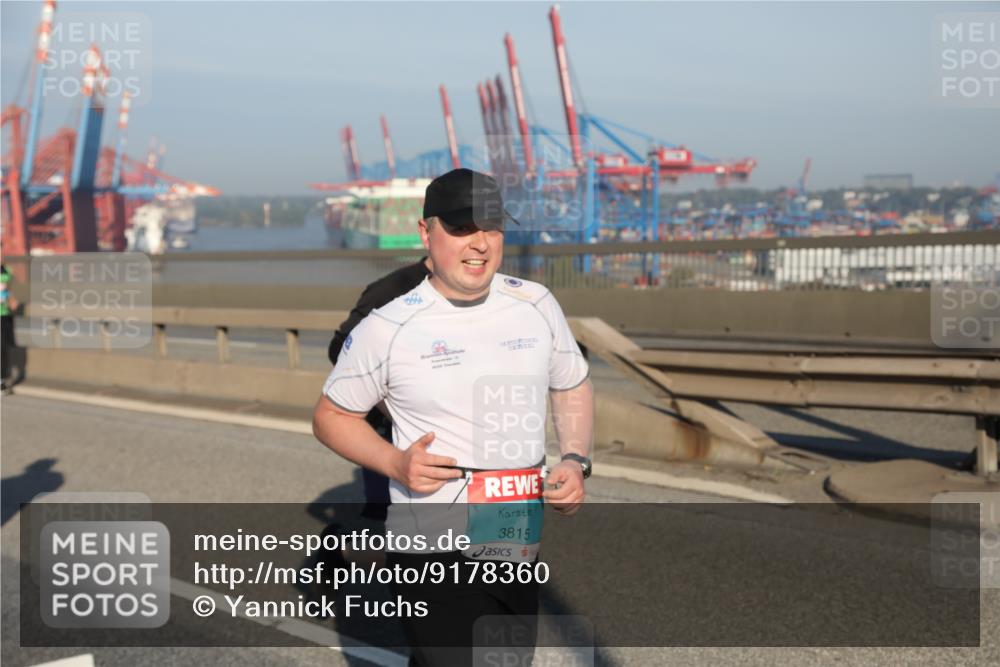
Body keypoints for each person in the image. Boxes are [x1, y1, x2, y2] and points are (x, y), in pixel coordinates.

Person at [312, 168, 594, 665]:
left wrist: (575, 459)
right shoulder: (390, 324)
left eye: (491, 228)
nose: (479, 244)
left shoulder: (535, 304)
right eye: (462, 229)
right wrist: (395, 464)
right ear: (427, 233)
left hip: (515, 537)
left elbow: (570, 381)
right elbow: (331, 416)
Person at [328, 256, 433, 521]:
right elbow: (339, 348)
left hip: (448, 434)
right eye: (459, 230)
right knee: (383, 521)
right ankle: (338, 554)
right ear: (428, 233)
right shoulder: (390, 289)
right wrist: (390, 402)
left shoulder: (487, 295)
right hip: (390, 434)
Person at [1, 264, 19, 395]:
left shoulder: (8, 270)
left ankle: (2, 380)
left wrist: (12, 299)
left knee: (5, 347)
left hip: (5, 314)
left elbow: (8, 290)